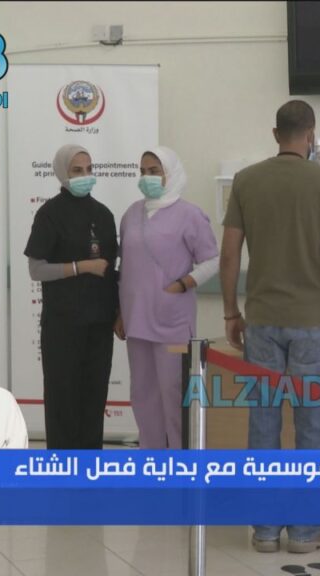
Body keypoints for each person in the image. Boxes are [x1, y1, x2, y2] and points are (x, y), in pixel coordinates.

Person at [220, 100, 320, 554]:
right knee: (311, 426)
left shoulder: (246, 180)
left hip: (261, 321)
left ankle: (263, 530)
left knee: (263, 423)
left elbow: (229, 253)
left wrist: (230, 313)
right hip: (314, 322)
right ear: (311, 135)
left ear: (275, 134)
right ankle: (304, 531)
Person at [117, 146, 219, 449]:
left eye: (154, 171)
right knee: (143, 396)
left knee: (174, 395)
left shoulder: (190, 215)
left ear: (170, 174)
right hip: (136, 320)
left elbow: (213, 260)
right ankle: (152, 458)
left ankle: (180, 461)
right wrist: (120, 312)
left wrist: (183, 284)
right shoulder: (131, 214)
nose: (146, 177)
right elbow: (126, 266)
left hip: (172, 321)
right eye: (142, 171)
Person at [24, 144, 118, 449]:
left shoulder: (103, 214)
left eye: (89, 169)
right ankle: (62, 467)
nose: (85, 175)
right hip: (62, 325)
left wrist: (119, 313)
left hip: (99, 324)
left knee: (94, 399)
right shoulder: (49, 214)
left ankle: (91, 467)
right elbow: (37, 269)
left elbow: (113, 269)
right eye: (77, 170)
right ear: (63, 172)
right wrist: (80, 267)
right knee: (62, 400)